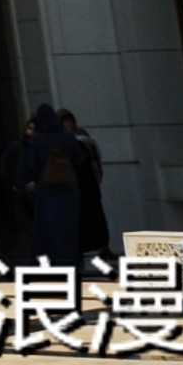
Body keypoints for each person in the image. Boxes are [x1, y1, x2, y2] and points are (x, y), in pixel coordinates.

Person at [2, 107, 83, 268]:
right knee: (69, 229)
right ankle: (71, 263)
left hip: (48, 192)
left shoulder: (38, 140)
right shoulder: (68, 137)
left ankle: (55, 265)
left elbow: (31, 166)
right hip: (69, 191)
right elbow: (79, 160)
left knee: (50, 230)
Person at [59, 110, 111, 263]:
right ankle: (80, 249)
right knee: (79, 219)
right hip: (74, 185)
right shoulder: (61, 140)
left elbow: (95, 158)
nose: (68, 124)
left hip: (89, 184)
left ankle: (102, 247)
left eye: (69, 121)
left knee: (96, 216)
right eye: (64, 121)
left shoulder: (83, 137)